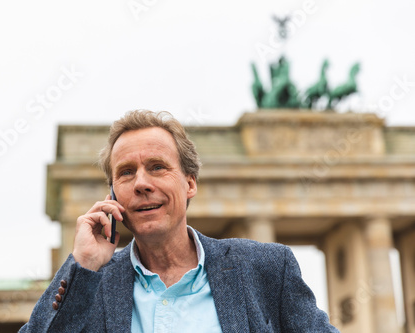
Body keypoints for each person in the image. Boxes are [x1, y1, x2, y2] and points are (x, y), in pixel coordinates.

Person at [20, 110, 339, 332]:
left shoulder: (267, 267)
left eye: (157, 167)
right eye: (126, 172)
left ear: (190, 183)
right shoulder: (90, 285)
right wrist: (84, 264)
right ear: (112, 196)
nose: (141, 183)